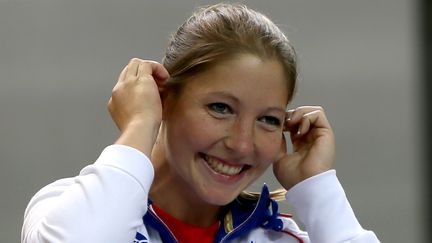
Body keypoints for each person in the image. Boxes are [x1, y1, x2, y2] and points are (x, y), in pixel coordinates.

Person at [21, 3, 380, 243]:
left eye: (268, 119)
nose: (242, 144)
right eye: (221, 108)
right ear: (164, 97)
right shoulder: (65, 207)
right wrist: (140, 125)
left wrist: (319, 191)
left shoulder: (281, 238)